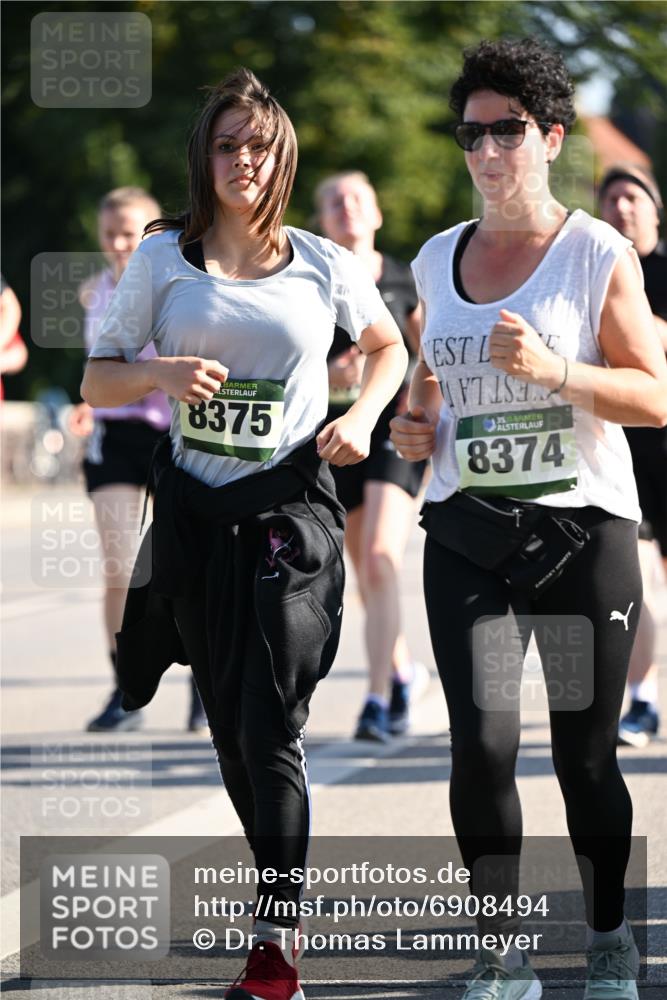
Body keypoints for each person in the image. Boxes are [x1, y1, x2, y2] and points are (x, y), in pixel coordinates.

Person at [81, 69, 407, 1000]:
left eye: (259, 147)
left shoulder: (322, 261)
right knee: (230, 727)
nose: (244, 162)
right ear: (205, 157)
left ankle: (274, 942)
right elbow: (98, 378)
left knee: (268, 718)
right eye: (227, 146)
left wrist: (362, 413)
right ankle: (278, 907)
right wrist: (161, 374)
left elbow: (387, 346)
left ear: (281, 159)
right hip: (196, 516)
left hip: (288, 512)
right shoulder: (162, 261)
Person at [390, 37, 667, 1000]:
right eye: (470, 134)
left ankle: (608, 941)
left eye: (506, 130)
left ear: (550, 137)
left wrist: (555, 371)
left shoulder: (595, 253)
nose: (486, 150)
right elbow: (431, 384)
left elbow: (653, 394)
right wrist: (415, 427)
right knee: (480, 747)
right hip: (469, 533)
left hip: (581, 534)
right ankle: (501, 955)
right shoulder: (436, 259)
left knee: (583, 757)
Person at [70, 187, 206, 733]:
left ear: (153, 234)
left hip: (173, 432)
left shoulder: (178, 286)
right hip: (116, 437)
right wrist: (88, 403)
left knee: (189, 565)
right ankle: (126, 687)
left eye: (131, 233)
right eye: (110, 234)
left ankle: (204, 680)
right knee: (121, 567)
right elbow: (100, 368)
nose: (120, 243)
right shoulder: (94, 292)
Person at [314, 171, 429, 741]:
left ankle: (378, 700)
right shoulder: (311, 280)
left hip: (394, 431)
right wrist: (330, 374)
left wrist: (421, 404)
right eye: (335, 201)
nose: (348, 207)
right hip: (337, 437)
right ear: (322, 220)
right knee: (363, 571)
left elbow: (431, 352)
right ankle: (404, 672)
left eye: (358, 197)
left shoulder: (406, 279)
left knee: (382, 556)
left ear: (378, 213)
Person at [598, 164, 667, 748]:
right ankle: (643, 699)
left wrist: (639, 326)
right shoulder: (598, 274)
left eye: (633, 197)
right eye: (612, 198)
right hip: (626, 453)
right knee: (641, 585)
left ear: (655, 208)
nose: (622, 207)